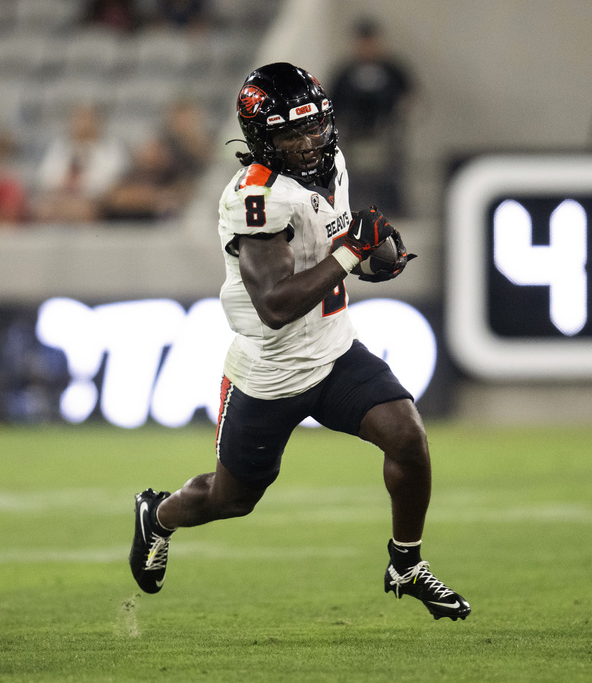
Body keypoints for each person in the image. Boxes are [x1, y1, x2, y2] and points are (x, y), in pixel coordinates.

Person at [127, 62, 470, 621]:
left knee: (408, 438)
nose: (309, 142)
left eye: (313, 127)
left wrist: (371, 255)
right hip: (271, 372)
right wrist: (350, 253)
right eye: (290, 133)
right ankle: (158, 515)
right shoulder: (255, 197)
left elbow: (334, 248)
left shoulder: (331, 162)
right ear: (262, 138)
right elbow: (277, 305)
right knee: (231, 500)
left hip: (335, 351)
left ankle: (405, 564)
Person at [329, 18, 414, 216]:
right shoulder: (345, 72)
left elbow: (410, 96)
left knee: (392, 166)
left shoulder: (393, 70)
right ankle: (349, 207)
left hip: (387, 130)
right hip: (352, 131)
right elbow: (332, 102)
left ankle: (394, 206)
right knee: (346, 167)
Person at [33, 103, 128, 223]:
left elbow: (112, 180)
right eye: (79, 119)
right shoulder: (60, 146)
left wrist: (81, 182)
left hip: (93, 200)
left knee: (82, 210)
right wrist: (65, 182)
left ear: (98, 122)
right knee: (43, 209)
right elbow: (44, 177)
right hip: (60, 197)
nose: (83, 124)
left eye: (88, 119)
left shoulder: (111, 147)